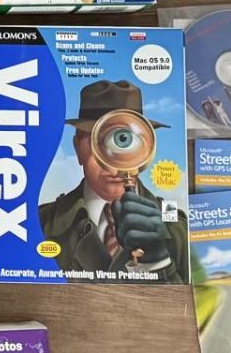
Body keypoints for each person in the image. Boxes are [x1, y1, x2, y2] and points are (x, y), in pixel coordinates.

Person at [37, 80, 188, 284]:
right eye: (97, 141)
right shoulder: (40, 223)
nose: (112, 164)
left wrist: (159, 263)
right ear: (78, 147)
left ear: (146, 148)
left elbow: (189, 298)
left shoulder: (177, 227)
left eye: (125, 140)